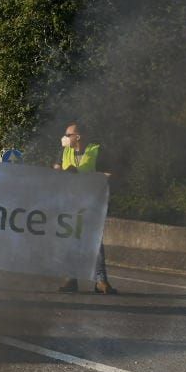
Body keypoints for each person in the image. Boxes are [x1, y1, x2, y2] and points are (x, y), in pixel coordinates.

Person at [54, 121, 114, 294]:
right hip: (70, 203)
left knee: (94, 242)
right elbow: (55, 171)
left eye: (68, 134)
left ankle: (101, 281)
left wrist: (84, 177)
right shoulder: (64, 152)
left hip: (91, 203)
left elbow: (108, 174)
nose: (64, 138)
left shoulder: (96, 151)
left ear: (77, 136)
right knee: (69, 242)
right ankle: (70, 280)